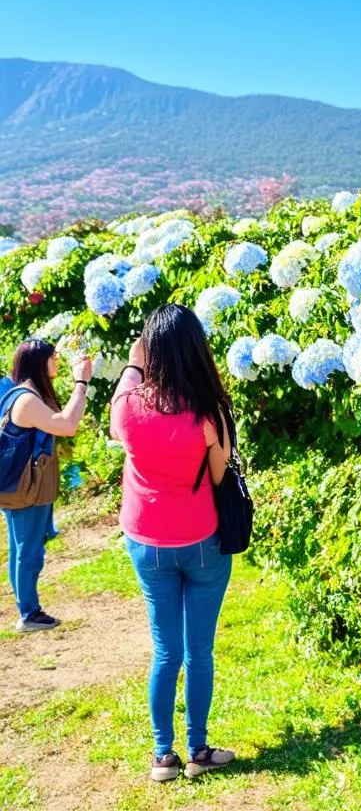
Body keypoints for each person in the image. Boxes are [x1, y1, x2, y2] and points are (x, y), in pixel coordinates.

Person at [110, 304, 236, 783]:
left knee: (166, 652)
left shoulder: (127, 406)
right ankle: (198, 749)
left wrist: (134, 362)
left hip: (146, 540)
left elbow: (124, 396)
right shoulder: (210, 412)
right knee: (199, 652)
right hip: (201, 539)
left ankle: (163, 755)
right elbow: (220, 475)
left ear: (152, 351)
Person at [1, 340, 92, 632]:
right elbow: (67, 424)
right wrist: (81, 382)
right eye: (53, 357)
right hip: (25, 488)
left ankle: (27, 608)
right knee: (28, 552)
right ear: (39, 362)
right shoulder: (26, 399)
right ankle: (29, 613)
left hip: (20, 485)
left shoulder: (26, 393)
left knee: (21, 549)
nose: (57, 361)